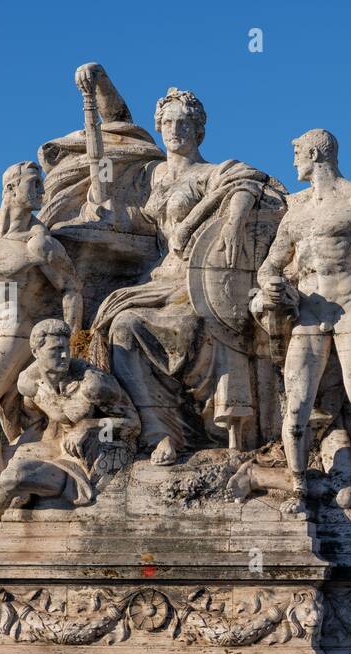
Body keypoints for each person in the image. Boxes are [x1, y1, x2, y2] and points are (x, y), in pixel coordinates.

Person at [88, 87, 284, 459]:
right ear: (158, 128)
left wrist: (208, 220)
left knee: (188, 325)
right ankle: (158, 432)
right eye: (167, 122)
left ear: (199, 132)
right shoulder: (149, 177)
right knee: (121, 326)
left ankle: (212, 428)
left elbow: (251, 185)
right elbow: (116, 130)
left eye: (184, 122)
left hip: (196, 282)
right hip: (156, 280)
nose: (174, 129)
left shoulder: (213, 172)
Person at [252, 129, 351, 516]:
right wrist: (272, 286)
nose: (294, 160)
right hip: (309, 312)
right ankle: (299, 488)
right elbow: (270, 266)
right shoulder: (295, 211)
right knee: (296, 406)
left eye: (297, 152)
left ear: (315, 153)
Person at [0, 162, 84, 492]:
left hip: (16, 333)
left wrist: (71, 341)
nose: (42, 190)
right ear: (10, 189)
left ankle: (0, 498)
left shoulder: (38, 242)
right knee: (9, 418)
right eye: (34, 183)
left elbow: (71, 288)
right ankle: (27, 482)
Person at [0, 320, 138, 536]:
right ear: (36, 352)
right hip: (59, 447)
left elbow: (133, 424)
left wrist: (90, 426)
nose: (64, 356)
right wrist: (19, 453)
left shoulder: (92, 384)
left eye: (65, 348)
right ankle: (10, 499)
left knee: (14, 476)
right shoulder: (29, 384)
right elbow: (38, 427)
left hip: (96, 456)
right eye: (55, 350)